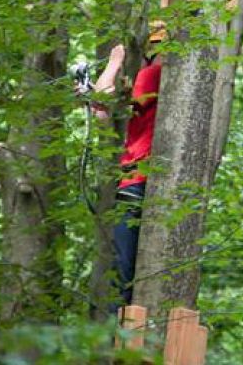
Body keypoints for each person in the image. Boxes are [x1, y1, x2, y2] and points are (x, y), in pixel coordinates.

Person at [90, 21, 166, 309]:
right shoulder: (162, 82)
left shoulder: (153, 74)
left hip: (136, 183)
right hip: (140, 182)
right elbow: (103, 110)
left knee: (122, 274)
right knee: (128, 272)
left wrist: (114, 62)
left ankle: (118, 336)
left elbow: (101, 106)